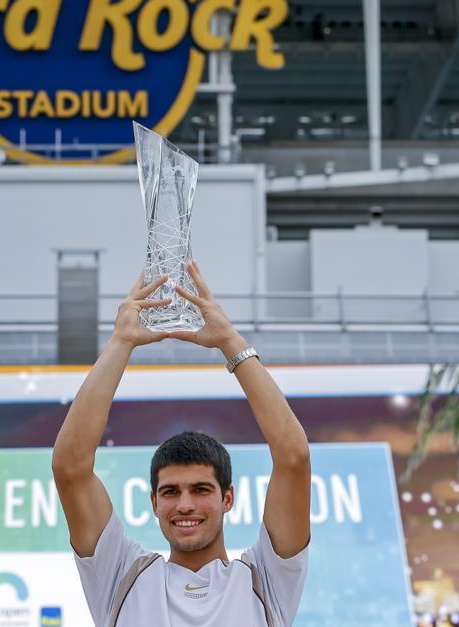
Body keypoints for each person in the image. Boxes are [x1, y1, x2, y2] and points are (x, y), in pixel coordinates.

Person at [51, 261, 311, 626]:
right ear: (154, 501)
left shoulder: (266, 579)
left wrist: (230, 342)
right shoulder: (120, 576)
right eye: (171, 492)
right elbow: (70, 468)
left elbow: (294, 457)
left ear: (228, 498)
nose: (185, 505)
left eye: (201, 489)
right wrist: (121, 342)